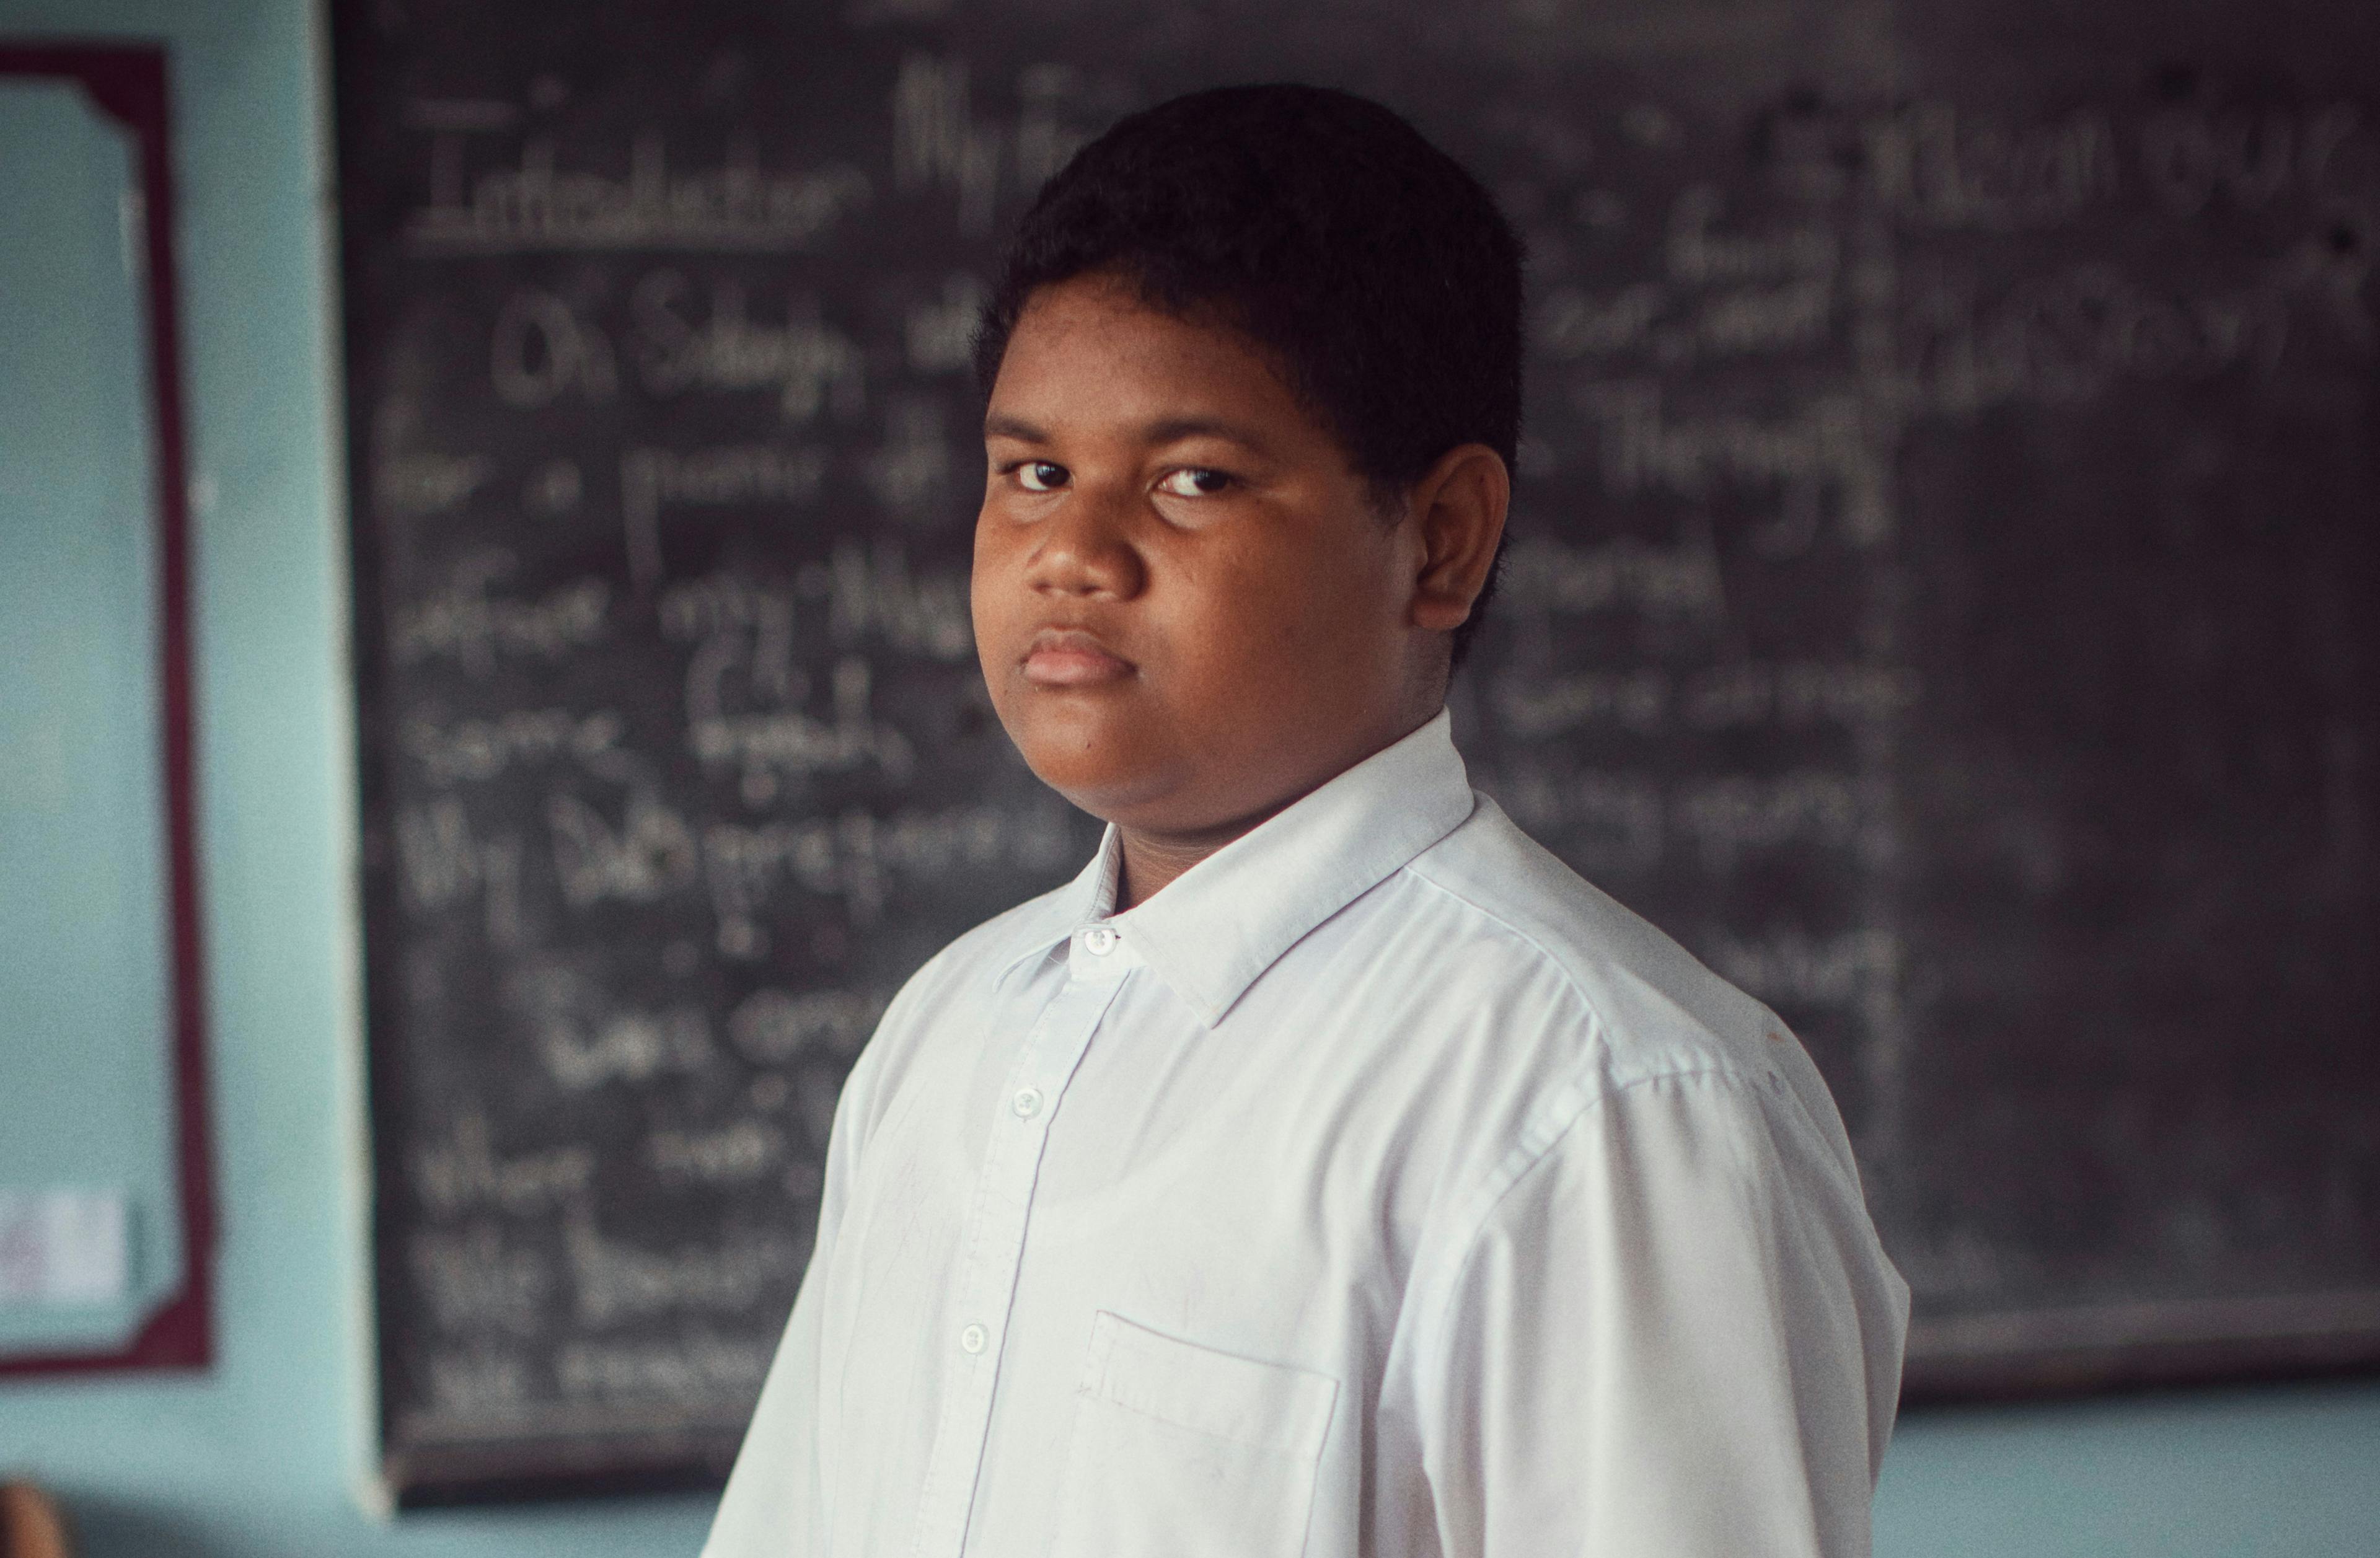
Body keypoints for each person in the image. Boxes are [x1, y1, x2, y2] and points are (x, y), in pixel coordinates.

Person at [703, 82, 1907, 1558]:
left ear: (1442, 540)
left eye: (1194, 480)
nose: (1073, 554)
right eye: (1033, 474)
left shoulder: (1600, 1105)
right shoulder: (949, 1039)